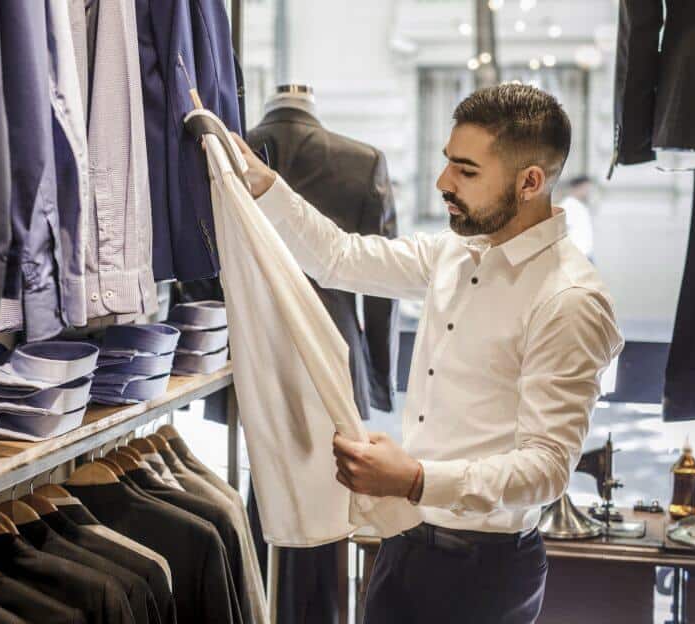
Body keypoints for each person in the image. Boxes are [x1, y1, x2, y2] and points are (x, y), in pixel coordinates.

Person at [231, 83, 623, 623]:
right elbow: (339, 257)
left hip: (483, 574)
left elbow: (549, 468)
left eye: (466, 171)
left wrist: (414, 477)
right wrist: (264, 185)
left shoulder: (570, 299)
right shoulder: (455, 252)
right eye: (447, 164)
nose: (443, 183)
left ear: (530, 181)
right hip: (406, 543)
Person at [559, 175, 596, 261]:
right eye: (585, 188)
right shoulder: (568, 205)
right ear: (577, 188)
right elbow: (560, 231)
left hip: (586, 254)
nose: (587, 191)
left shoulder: (581, 205)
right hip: (576, 256)